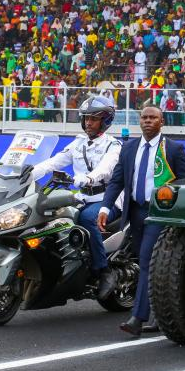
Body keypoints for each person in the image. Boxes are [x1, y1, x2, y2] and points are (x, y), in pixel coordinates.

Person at [99, 105, 185, 337]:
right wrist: (105, 207)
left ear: (162, 122)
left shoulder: (173, 149)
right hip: (136, 213)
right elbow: (117, 181)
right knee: (148, 265)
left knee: (149, 260)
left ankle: (137, 319)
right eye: (144, 117)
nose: (148, 121)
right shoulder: (129, 148)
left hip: (160, 213)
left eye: (153, 118)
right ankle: (161, 315)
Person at [30, 95, 122, 300]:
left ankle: (103, 270)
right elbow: (53, 163)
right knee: (56, 218)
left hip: (108, 199)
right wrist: (27, 173)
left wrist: (88, 178)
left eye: (93, 118)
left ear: (105, 121)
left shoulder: (113, 145)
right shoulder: (77, 144)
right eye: (86, 118)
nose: (88, 122)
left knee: (88, 218)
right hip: (82, 197)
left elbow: (106, 169)